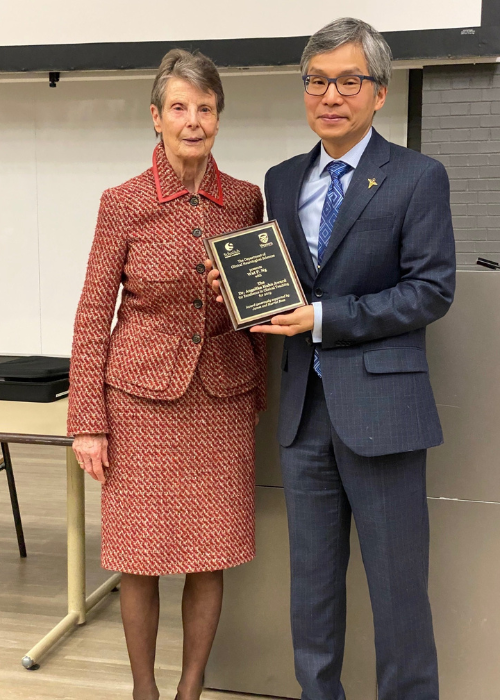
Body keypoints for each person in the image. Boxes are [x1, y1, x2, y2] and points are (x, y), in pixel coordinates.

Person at [209, 17, 455, 700]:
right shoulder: (283, 180)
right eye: (317, 81)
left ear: (379, 91)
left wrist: (321, 318)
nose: (330, 95)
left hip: (385, 414)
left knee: (398, 597)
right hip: (304, 417)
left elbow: (432, 290)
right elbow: (280, 279)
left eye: (348, 80)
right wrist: (234, 288)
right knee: (311, 596)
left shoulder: (416, 176)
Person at [67, 49, 266, 700]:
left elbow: (260, 309)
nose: (193, 120)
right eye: (179, 107)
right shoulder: (122, 203)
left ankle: (191, 689)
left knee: (210, 557)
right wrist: (87, 424)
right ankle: (144, 691)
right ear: (156, 117)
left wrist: (255, 387)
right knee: (140, 559)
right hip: (139, 403)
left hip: (222, 400)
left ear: (218, 118)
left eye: (205, 108)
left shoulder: (245, 199)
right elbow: (95, 310)